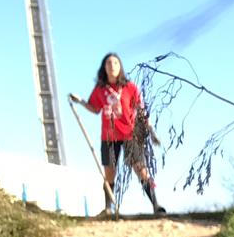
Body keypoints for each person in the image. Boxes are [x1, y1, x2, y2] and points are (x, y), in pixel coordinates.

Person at [69, 53, 164, 216]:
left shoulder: (130, 87)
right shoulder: (100, 89)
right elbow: (95, 108)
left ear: (120, 67)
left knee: (141, 169)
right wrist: (81, 102)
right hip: (109, 137)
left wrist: (150, 130)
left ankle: (156, 205)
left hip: (130, 134)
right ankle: (108, 208)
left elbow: (140, 110)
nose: (112, 66)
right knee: (109, 173)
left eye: (115, 63)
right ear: (104, 68)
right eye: (108, 63)